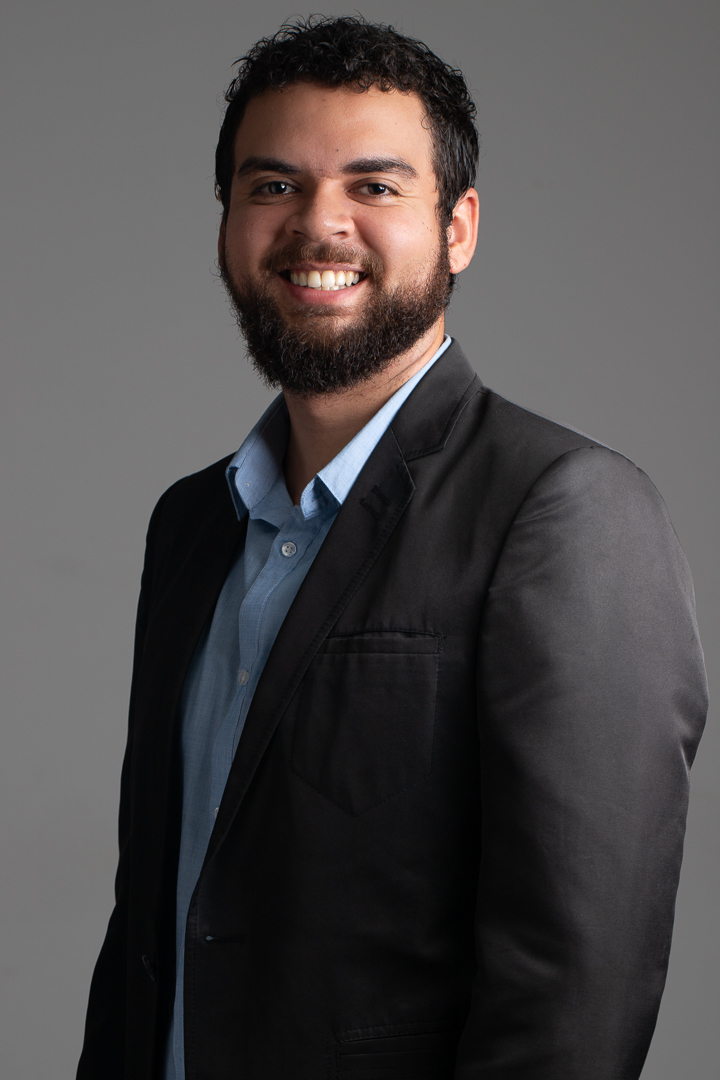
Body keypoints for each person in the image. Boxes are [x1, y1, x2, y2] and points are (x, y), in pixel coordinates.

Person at [76, 16, 707, 1080]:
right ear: (227, 219)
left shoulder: (567, 511)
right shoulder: (190, 523)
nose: (318, 224)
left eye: (373, 185)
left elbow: (576, 992)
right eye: (273, 185)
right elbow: (154, 919)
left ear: (459, 228)